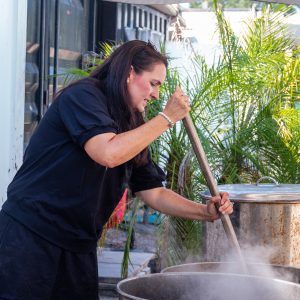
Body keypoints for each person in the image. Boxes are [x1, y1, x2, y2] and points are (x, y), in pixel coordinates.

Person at [0, 40, 233, 300]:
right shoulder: (83, 96)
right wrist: (166, 118)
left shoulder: (132, 121)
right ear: (130, 73)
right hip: (32, 236)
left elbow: (153, 192)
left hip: (79, 245)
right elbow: (108, 153)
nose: (156, 94)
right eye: (154, 82)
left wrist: (204, 211)